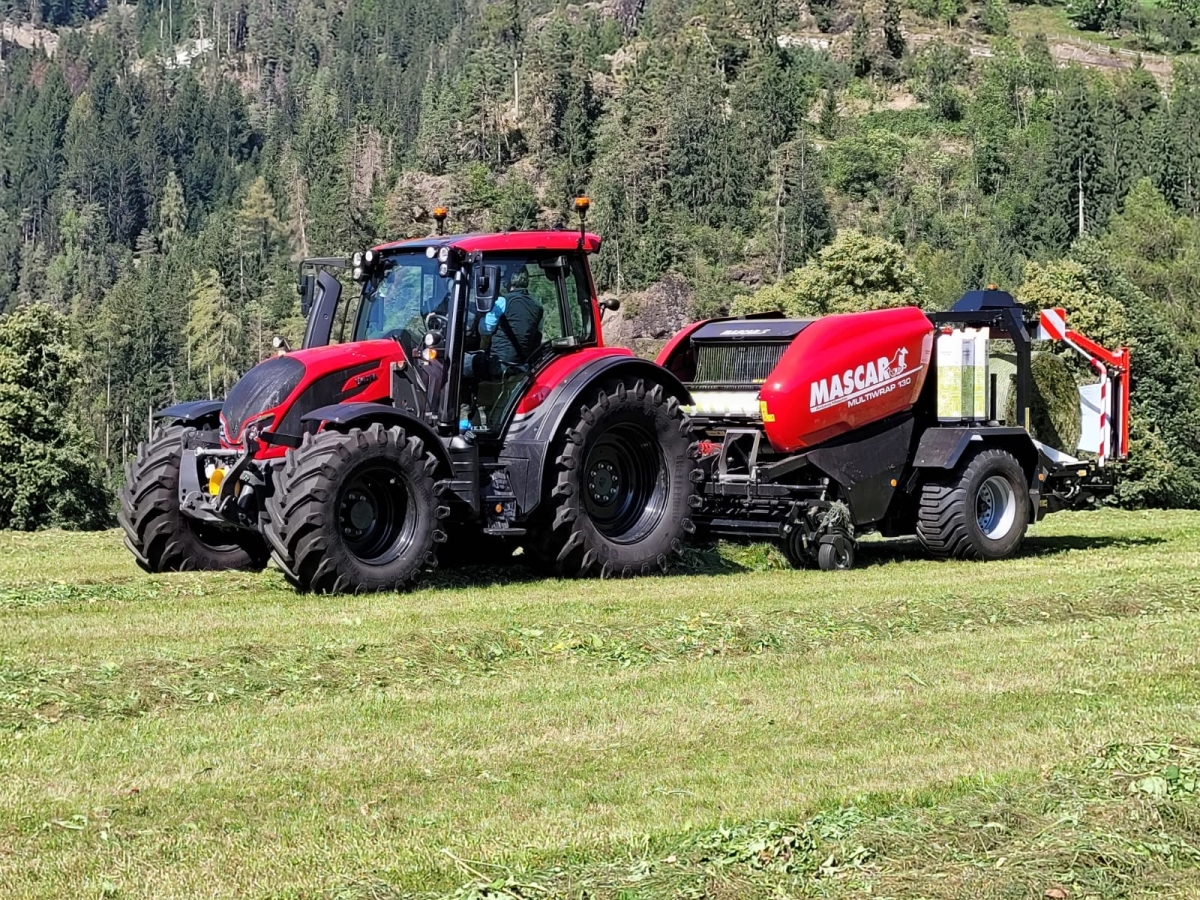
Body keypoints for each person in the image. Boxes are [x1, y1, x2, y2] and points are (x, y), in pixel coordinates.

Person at [475, 266, 544, 377]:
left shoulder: (502, 301)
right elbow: (537, 335)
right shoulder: (538, 306)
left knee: (465, 364)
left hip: (499, 364)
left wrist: (479, 319)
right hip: (523, 366)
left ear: (508, 281)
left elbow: (486, 329)